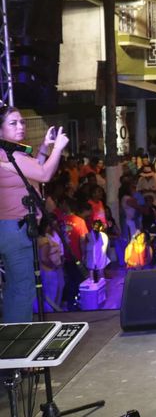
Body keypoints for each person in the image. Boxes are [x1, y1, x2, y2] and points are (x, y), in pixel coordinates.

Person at [0, 108, 69, 323]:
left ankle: (13, 331)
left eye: (22, 122)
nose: (20, 126)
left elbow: (34, 170)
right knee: (23, 287)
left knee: (17, 285)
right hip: (14, 228)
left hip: (16, 228)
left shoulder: (14, 152)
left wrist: (45, 148)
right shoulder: (7, 155)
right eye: (13, 123)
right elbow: (44, 174)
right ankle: (16, 336)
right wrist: (58, 148)